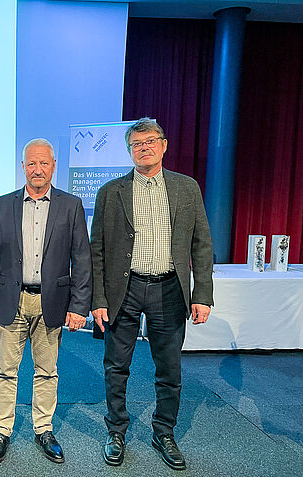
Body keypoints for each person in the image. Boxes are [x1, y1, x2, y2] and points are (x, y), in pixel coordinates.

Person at [90, 118, 213, 470]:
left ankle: (164, 433)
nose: (143, 147)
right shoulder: (110, 192)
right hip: (123, 292)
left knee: (169, 369)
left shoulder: (186, 188)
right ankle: (116, 432)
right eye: (136, 144)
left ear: (164, 145)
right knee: (116, 366)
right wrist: (98, 300)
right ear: (129, 151)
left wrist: (201, 293)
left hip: (169, 290)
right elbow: (96, 248)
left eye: (150, 141)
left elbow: (202, 244)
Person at [0, 138, 92, 465]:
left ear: (53, 166)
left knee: (47, 371)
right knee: (4, 370)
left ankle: (44, 429)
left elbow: (82, 260)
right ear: (23, 166)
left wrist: (79, 306)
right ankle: (2, 431)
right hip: (12, 302)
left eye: (44, 163)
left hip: (52, 303)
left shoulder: (71, 205)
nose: (38, 169)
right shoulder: (3, 204)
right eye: (31, 163)